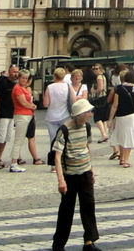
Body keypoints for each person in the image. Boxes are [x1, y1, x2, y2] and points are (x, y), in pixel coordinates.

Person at [52, 99, 100, 251]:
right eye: (87, 113)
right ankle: (59, 244)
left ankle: (89, 242)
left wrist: (91, 170)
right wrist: (61, 180)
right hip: (70, 176)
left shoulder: (86, 127)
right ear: (79, 115)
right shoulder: (64, 130)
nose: (90, 115)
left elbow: (86, 147)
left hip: (85, 172)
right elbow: (57, 157)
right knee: (66, 210)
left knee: (89, 207)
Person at [107, 70, 134, 167]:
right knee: (130, 138)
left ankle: (122, 157)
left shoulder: (119, 89)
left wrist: (110, 119)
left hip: (120, 116)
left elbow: (115, 105)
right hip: (133, 116)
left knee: (122, 137)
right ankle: (125, 160)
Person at [0, 65, 19, 169]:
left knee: (6, 137)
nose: (16, 74)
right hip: (3, 113)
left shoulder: (16, 84)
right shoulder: (3, 81)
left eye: (17, 72)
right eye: (14, 71)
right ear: (9, 72)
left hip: (12, 114)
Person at [10, 69, 36, 172]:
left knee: (20, 140)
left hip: (26, 115)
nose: (25, 80)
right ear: (19, 78)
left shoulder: (23, 88)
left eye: (26, 78)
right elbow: (23, 103)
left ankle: (15, 161)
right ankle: (13, 163)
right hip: (21, 115)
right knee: (18, 140)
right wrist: (33, 106)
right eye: (23, 78)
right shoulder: (18, 89)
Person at [44, 68, 72, 148]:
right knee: (65, 137)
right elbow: (73, 99)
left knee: (53, 138)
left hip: (51, 116)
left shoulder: (49, 87)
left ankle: (53, 156)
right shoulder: (68, 86)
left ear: (54, 76)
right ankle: (64, 155)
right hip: (65, 115)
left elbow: (46, 104)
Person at [89, 64, 109, 143]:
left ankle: (104, 134)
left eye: (97, 68)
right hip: (104, 98)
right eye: (93, 69)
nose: (95, 70)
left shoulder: (99, 77)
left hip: (100, 99)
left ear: (101, 69)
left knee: (97, 118)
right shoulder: (103, 76)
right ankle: (105, 134)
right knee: (103, 118)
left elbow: (100, 88)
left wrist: (93, 91)